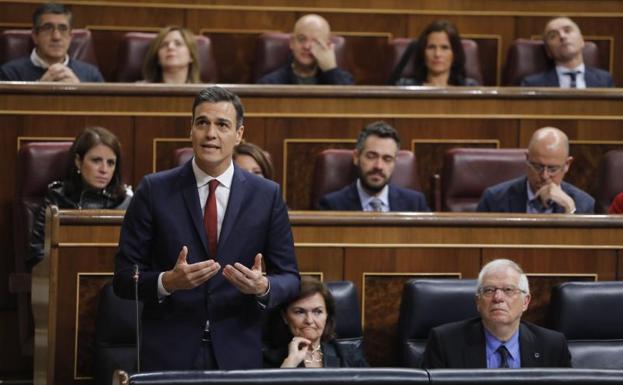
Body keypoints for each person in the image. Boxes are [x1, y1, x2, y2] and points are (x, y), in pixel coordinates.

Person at [113, 86, 300, 371]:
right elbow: (125, 277)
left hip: (238, 352)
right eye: (202, 123)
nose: (210, 133)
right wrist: (167, 282)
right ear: (191, 130)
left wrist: (264, 287)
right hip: (168, 350)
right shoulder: (154, 189)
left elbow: (290, 277)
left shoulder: (267, 195)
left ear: (239, 134)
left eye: (222, 125)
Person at [422, 259, 571, 368]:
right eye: (489, 290)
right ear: (478, 302)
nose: (498, 298)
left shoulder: (552, 346)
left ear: (525, 302)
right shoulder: (445, 343)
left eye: (508, 290)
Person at [29, 126, 132, 270]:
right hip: (65, 279)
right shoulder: (58, 198)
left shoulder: (126, 202)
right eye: (96, 161)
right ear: (78, 161)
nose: (104, 170)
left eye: (111, 163)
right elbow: (37, 254)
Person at [477, 127, 594, 214]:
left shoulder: (583, 204)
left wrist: (570, 211)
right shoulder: (494, 200)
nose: (544, 176)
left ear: (567, 164)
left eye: (552, 169)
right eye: (538, 167)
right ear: (527, 159)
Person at [317, 121, 430, 212]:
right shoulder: (332, 206)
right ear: (356, 157)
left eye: (387, 159)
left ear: (394, 162)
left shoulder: (415, 204)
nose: (378, 166)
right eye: (371, 156)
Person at [263, 276, 368, 368]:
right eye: (299, 312)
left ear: (327, 315)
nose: (309, 320)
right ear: (285, 317)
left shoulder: (349, 355)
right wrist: (290, 363)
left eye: (318, 311)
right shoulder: (269, 360)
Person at [0, 2, 104, 82]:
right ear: (35, 36)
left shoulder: (91, 75)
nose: (56, 37)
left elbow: (103, 109)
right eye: (48, 28)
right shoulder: (9, 74)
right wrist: (39, 90)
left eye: (63, 29)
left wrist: (79, 92)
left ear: (70, 37)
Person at [256, 14, 353, 85]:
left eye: (316, 42)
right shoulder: (270, 83)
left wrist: (331, 70)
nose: (307, 46)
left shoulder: (343, 79)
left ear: (327, 47)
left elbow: (350, 106)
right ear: (292, 43)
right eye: (301, 39)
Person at [521, 17, 613, 88]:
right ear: (548, 51)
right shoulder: (532, 85)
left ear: (582, 40)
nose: (562, 36)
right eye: (553, 35)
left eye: (567, 30)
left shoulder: (605, 81)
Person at [390, 20, 478, 86]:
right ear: (423, 52)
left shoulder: (470, 88)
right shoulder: (404, 88)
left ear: (455, 53)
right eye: (431, 47)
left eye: (444, 48)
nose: (437, 54)